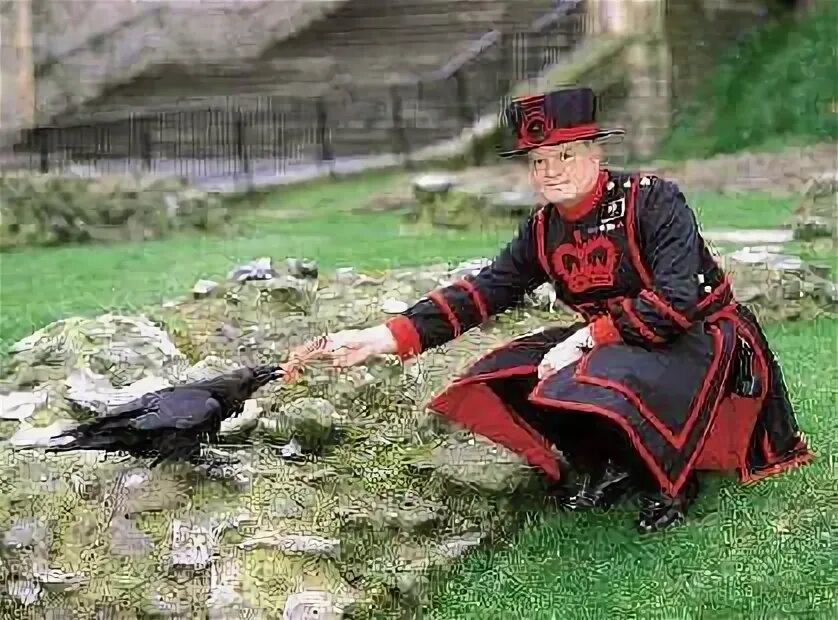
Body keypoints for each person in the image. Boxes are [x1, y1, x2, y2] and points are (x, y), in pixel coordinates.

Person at [286, 87, 813, 533]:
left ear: (595, 153)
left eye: (565, 155)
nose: (550, 170)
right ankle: (618, 461)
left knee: (594, 369)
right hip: (620, 340)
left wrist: (583, 340)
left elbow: (676, 303)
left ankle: (672, 482)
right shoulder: (543, 229)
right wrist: (381, 337)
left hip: (701, 336)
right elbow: (484, 291)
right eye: (539, 160)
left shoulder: (654, 200)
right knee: (503, 371)